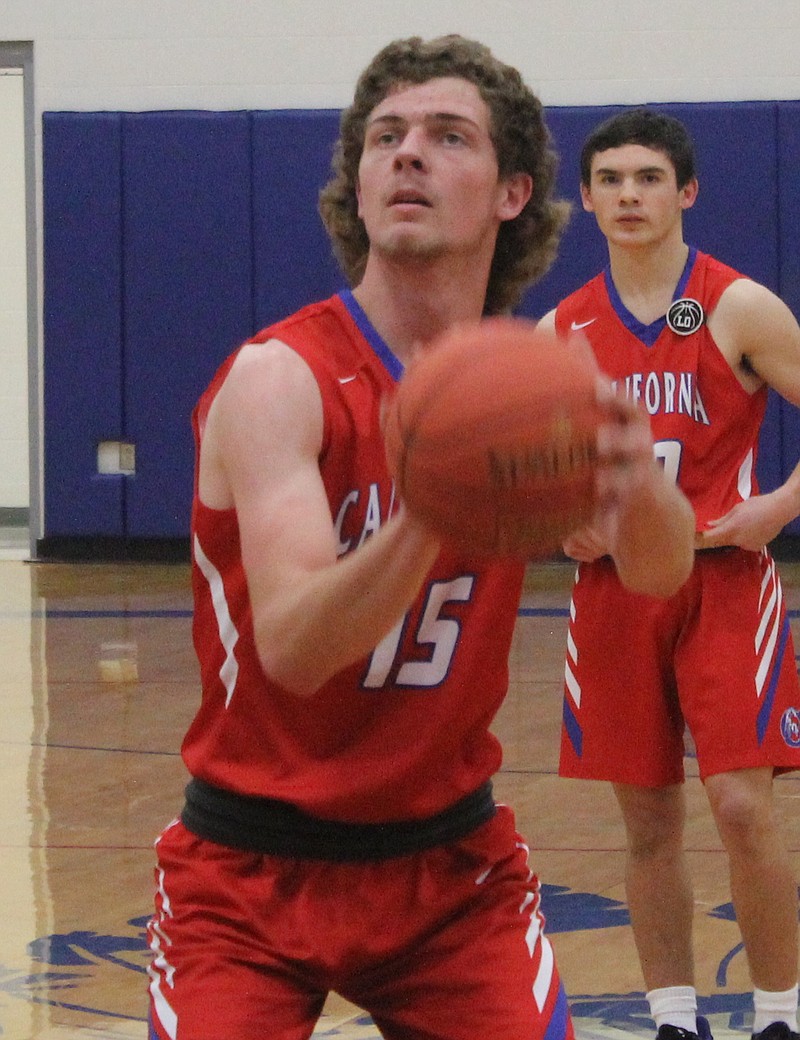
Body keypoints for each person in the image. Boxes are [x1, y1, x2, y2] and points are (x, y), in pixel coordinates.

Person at [146, 41, 694, 1040]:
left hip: (448, 867)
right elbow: (298, 647)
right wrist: (434, 506)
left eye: (447, 138)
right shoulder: (280, 376)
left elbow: (656, 571)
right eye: (385, 137)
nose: (407, 155)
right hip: (249, 868)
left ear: (511, 191)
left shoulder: (534, 389)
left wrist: (626, 464)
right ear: (354, 181)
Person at [539, 107, 800, 1040]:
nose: (628, 195)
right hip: (615, 597)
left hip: (725, 582)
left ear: (685, 191)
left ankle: (779, 1015)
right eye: (609, 180)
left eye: (648, 178)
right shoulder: (562, 330)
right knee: (648, 822)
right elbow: (537, 476)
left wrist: (779, 505)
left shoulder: (736, 306)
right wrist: (563, 521)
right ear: (588, 198)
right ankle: (673, 1019)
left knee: (739, 806)